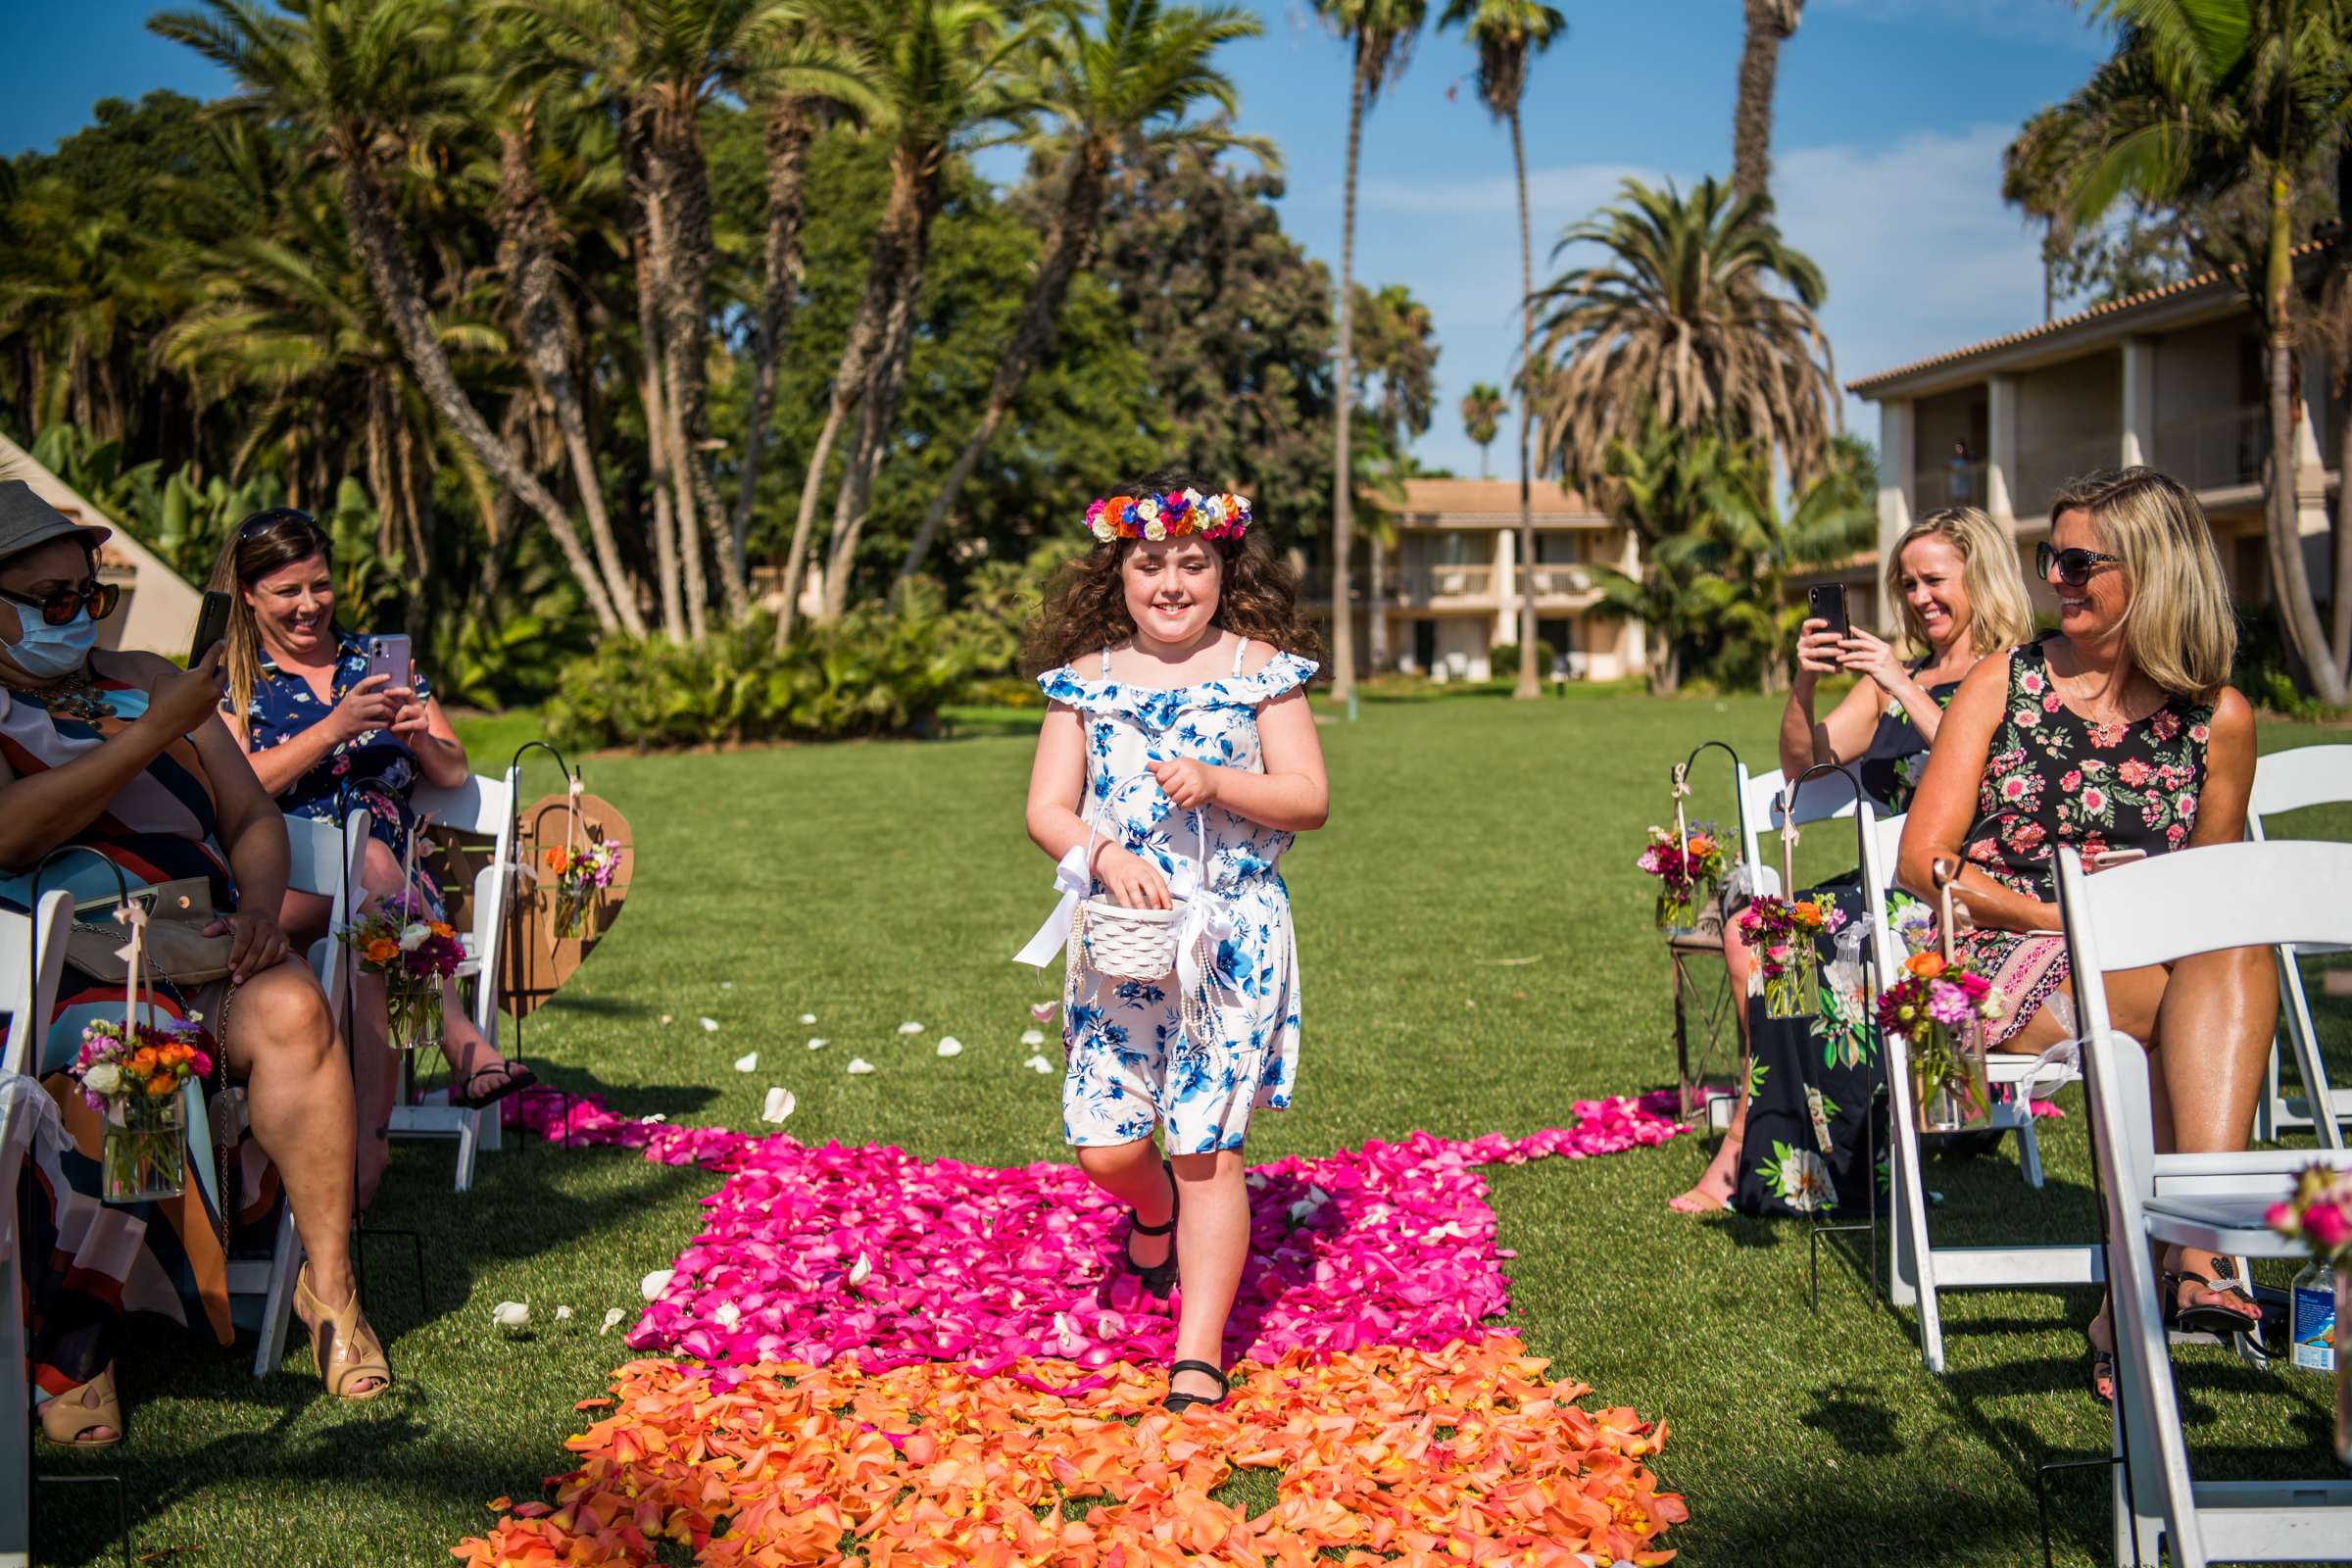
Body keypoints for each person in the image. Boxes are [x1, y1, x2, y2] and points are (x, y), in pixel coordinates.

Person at [0, 481, 388, 1446]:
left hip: (207, 945)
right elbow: (14, 835)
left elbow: (250, 815)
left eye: (85, 596)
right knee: (120, 1059)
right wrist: (153, 730)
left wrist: (260, 908)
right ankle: (79, 1333)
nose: (76, 619)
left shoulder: (139, 671)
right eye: (49, 601)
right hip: (70, 970)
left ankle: (331, 1292)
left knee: (294, 1007)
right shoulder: (135, 703)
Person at [1898, 466, 2270, 1403]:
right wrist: (2058, 913)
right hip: (1992, 946)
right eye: (2047, 558)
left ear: (2149, 570)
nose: (2053, 579)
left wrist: (2142, 908)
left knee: (2234, 949)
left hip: (2147, 956)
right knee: (2156, 1000)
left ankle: (2153, 1274)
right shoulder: (2007, 682)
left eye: (2075, 561)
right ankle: (2192, 1257)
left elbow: (2214, 891)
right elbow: (1922, 862)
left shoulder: (2215, 719)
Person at [1022, 471, 1327, 1415]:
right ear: (1117, 572)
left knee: (1207, 1149)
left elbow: (1308, 799)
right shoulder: (1086, 682)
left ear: (1222, 570)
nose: (1171, 583)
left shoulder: (1261, 668)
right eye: (1149, 564)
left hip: (1231, 940)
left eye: (1193, 564)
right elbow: (1045, 809)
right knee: (1106, 1147)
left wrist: (1219, 779)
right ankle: (1146, 1214)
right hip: (1122, 941)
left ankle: (1198, 1353)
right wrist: (1103, 854)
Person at [1670, 507, 2035, 1215]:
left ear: (1981, 577)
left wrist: (1903, 687)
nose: (1919, 598)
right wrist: (1804, 684)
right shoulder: (1899, 674)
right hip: (1884, 889)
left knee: (1796, 946)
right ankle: (1789, 1140)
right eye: (1907, 585)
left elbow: (1997, 778)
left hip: (1962, 894)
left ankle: (1761, 1146)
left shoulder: (2017, 673)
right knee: (1761, 932)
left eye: (1934, 581)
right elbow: (1803, 765)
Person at [208, 510, 533, 1205]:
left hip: (379, 896)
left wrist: (418, 735)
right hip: (280, 880)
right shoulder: (232, 677)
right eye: (287, 591)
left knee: (370, 907)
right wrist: (333, 729)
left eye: (319, 586)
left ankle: (362, 1158)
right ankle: (456, 1039)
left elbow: (450, 771)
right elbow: (237, 785)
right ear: (248, 594)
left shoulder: (374, 662)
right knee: (373, 864)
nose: (308, 605)